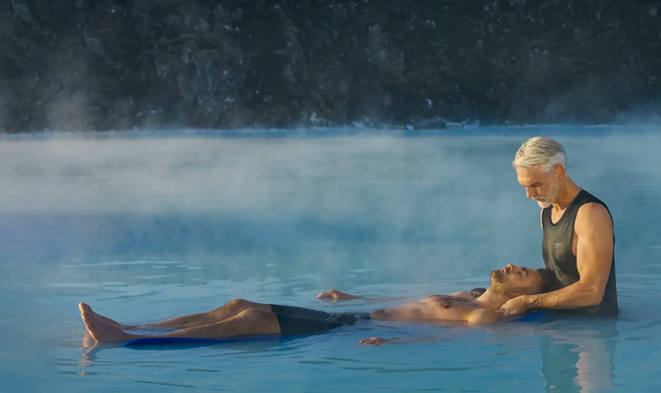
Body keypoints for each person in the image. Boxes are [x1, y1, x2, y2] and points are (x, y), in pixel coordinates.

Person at [78, 264, 550, 345]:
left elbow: (440, 336)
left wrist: (392, 343)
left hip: (342, 329)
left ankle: (128, 340)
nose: (511, 266)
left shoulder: (481, 313)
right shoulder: (467, 294)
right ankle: (135, 324)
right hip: (350, 313)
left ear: (520, 291)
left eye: (522, 272)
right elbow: (412, 302)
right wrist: (355, 296)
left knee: (250, 319)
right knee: (239, 301)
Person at [497, 136, 617, 317]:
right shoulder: (547, 210)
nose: (529, 195)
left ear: (558, 173)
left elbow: (592, 291)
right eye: (524, 186)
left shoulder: (590, 214)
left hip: (590, 331)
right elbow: (559, 272)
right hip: (558, 323)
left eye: (535, 185)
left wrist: (528, 301)